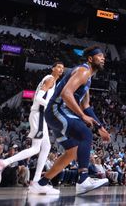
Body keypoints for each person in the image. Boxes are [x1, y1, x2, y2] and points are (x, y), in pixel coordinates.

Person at [32, 47, 111, 196]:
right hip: (57, 110)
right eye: (99, 56)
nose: (103, 58)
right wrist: (82, 116)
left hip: (58, 114)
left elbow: (86, 106)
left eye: (103, 57)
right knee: (85, 133)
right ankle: (83, 180)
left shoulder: (88, 77)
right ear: (90, 59)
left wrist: (100, 126)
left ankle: (40, 184)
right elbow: (66, 93)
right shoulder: (83, 70)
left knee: (72, 152)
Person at [0, 62, 65, 186]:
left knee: (46, 146)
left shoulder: (52, 81)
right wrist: (52, 107)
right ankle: (2, 163)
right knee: (36, 148)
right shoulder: (50, 79)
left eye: (63, 68)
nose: (61, 69)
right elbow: (37, 98)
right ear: (53, 68)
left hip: (41, 115)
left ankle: (37, 181)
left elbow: (37, 98)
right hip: (39, 114)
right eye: (58, 67)